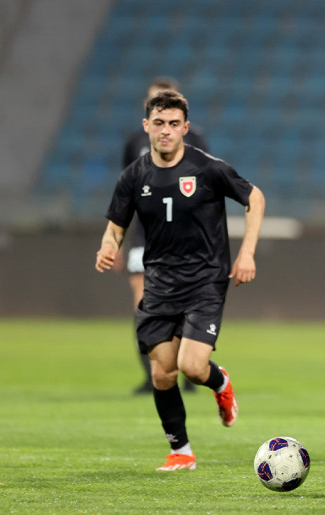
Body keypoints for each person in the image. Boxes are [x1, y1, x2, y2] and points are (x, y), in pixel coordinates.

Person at [96, 90, 265, 471]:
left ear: (185, 128)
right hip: (159, 282)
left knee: (191, 366)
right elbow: (116, 226)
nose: (166, 131)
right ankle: (181, 451)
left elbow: (255, 197)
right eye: (159, 123)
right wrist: (108, 247)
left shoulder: (207, 168)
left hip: (205, 278)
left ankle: (218, 382)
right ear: (146, 127)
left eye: (174, 124)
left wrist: (247, 252)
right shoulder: (134, 176)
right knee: (162, 372)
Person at [121, 76, 209, 395]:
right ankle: (153, 376)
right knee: (143, 305)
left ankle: (189, 371)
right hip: (144, 236)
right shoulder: (134, 141)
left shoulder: (195, 138)